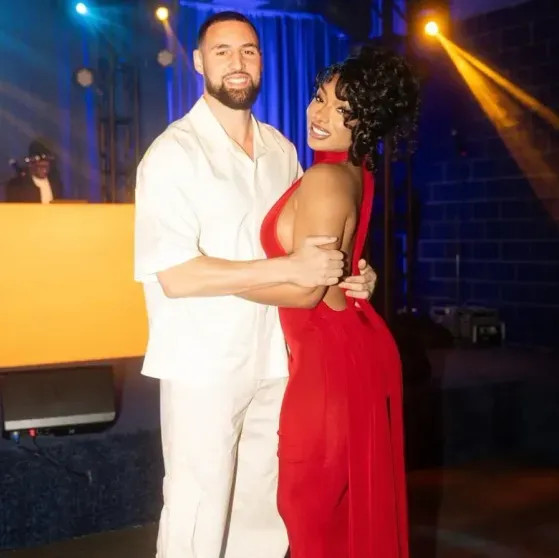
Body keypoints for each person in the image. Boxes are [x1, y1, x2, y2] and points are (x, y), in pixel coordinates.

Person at [133, 11, 376, 558]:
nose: (237, 62)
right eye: (222, 51)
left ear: (262, 61)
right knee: (198, 507)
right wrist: (286, 270)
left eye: (248, 50)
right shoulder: (172, 154)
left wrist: (349, 271)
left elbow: (306, 244)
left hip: (276, 355)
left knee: (263, 510)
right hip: (204, 363)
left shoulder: (280, 150)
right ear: (199, 63)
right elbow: (176, 276)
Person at [245, 46, 420, 557]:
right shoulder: (352, 172)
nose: (319, 114)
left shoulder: (325, 178)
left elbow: (305, 291)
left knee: (307, 515)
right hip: (345, 350)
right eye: (319, 98)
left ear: (367, 122)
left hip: (330, 363)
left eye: (343, 110)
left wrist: (212, 281)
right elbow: (333, 269)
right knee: (332, 520)